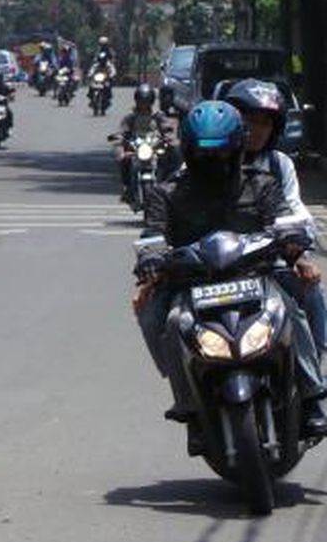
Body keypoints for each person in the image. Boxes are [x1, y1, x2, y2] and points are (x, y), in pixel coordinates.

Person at [133, 101, 327, 444]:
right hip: (192, 283)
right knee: (165, 321)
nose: (214, 162)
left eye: (221, 154)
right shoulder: (167, 192)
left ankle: (312, 397)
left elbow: (283, 220)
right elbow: (152, 235)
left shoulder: (262, 183)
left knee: (293, 312)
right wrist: (151, 262)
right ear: (189, 152)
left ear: (237, 149)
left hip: (257, 276)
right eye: (204, 155)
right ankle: (189, 404)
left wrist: (294, 244)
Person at [224, 77, 327, 353]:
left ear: (274, 129)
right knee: (169, 315)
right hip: (214, 269)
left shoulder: (279, 165)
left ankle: (314, 380)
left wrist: (301, 253)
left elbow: (294, 209)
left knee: (311, 296)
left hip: (269, 264)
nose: (255, 130)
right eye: (248, 121)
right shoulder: (204, 159)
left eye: (264, 123)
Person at [116, 83, 171, 202]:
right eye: (141, 101)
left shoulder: (158, 115)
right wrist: (121, 146)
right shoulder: (131, 117)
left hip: (154, 145)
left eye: (146, 101)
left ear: (151, 101)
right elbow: (122, 132)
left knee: (170, 157)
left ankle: (168, 185)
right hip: (137, 146)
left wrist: (167, 138)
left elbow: (167, 129)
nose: (144, 104)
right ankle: (127, 187)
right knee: (124, 161)